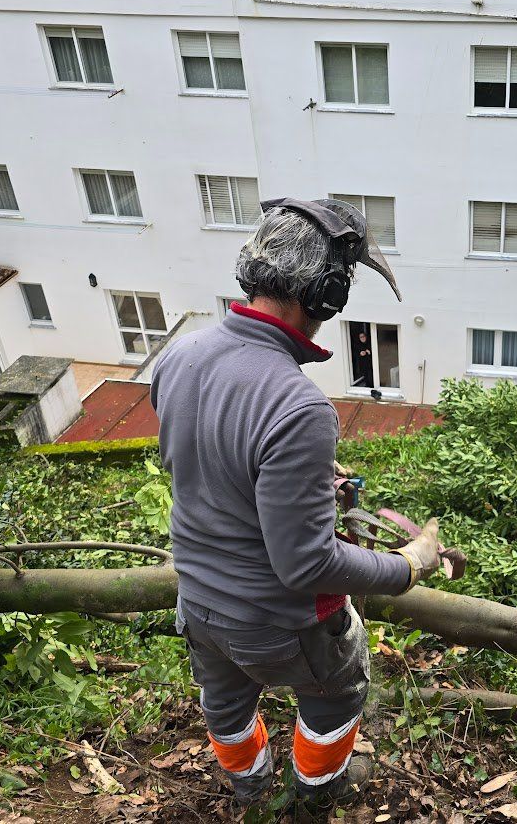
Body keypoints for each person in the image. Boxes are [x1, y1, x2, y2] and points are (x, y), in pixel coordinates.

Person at [150, 198, 442, 812]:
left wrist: (297, 480)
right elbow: (306, 566)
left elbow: (200, 458)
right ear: (329, 292)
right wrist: (409, 565)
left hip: (198, 602)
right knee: (337, 695)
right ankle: (312, 798)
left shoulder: (177, 357)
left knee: (225, 706)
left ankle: (251, 790)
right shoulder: (299, 406)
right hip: (277, 622)